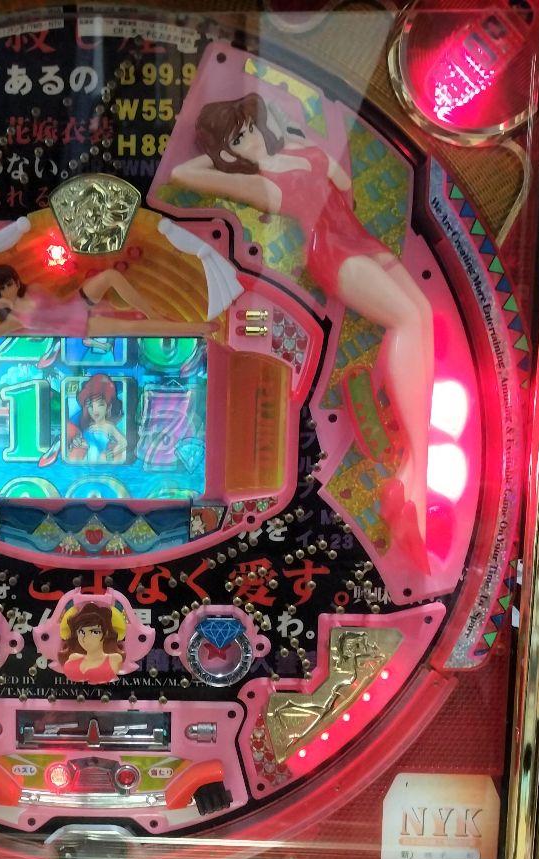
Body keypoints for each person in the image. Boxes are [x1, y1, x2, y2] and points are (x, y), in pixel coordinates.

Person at [170, 93, 434, 570]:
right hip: (332, 252)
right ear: (228, 150)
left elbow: (343, 182)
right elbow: (182, 174)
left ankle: (414, 469)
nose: (250, 138)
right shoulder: (264, 183)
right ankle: (415, 471)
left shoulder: (295, 150)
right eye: (237, 139)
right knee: (407, 319)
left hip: (360, 238)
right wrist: (226, 163)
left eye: (249, 127)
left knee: (423, 315)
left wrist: (285, 136)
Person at [0, 264, 211, 341]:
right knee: (132, 327)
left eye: (10, 283)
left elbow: (59, 300)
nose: (8, 288)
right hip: (77, 325)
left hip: (76, 303)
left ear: (16, 280)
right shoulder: (15, 318)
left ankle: (152, 313)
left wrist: (83, 289)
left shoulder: (32, 289)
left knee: (111, 275)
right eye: (3, 288)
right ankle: (197, 329)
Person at [57, 602, 126, 684]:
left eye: (94, 632)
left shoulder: (115, 659)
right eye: (81, 632)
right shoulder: (72, 658)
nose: (86, 638)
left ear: (106, 633)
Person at [66, 373, 127, 464]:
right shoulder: (87, 427)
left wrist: (111, 453)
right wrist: (80, 444)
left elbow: (123, 442)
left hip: (104, 465)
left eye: (100, 405)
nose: (95, 410)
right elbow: (86, 446)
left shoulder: (109, 427)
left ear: (108, 407)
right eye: (91, 406)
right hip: (88, 465)